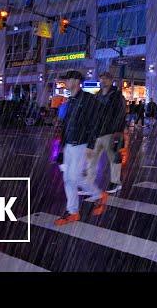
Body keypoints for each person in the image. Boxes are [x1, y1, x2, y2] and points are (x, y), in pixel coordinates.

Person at [53, 70, 108, 226]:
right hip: (70, 144)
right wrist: (62, 146)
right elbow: (66, 124)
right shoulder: (71, 101)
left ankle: (89, 201)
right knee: (69, 179)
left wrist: (91, 145)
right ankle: (75, 211)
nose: (64, 83)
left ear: (76, 81)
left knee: (73, 177)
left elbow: (96, 124)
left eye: (67, 80)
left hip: (81, 143)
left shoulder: (88, 100)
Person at [85, 71, 127, 195]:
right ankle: (88, 183)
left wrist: (117, 131)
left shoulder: (116, 96)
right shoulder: (97, 95)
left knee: (113, 158)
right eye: (101, 78)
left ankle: (116, 182)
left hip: (110, 132)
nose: (103, 81)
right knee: (91, 159)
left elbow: (120, 114)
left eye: (106, 79)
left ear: (111, 80)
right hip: (97, 132)